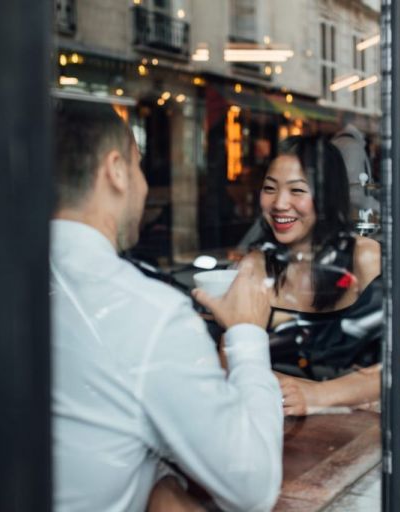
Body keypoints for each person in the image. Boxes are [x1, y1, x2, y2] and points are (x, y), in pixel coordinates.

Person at [50, 101, 283, 512]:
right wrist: (247, 332)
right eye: (140, 167)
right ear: (116, 170)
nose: (143, 186)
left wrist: (156, 477)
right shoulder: (146, 314)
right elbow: (254, 486)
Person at [240, 135, 400, 414]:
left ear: (327, 195)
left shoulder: (367, 258)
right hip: (281, 426)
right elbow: (229, 359)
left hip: (367, 430)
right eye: (270, 188)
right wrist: (289, 389)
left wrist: (318, 393)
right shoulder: (255, 264)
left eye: (297, 190)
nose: (279, 203)